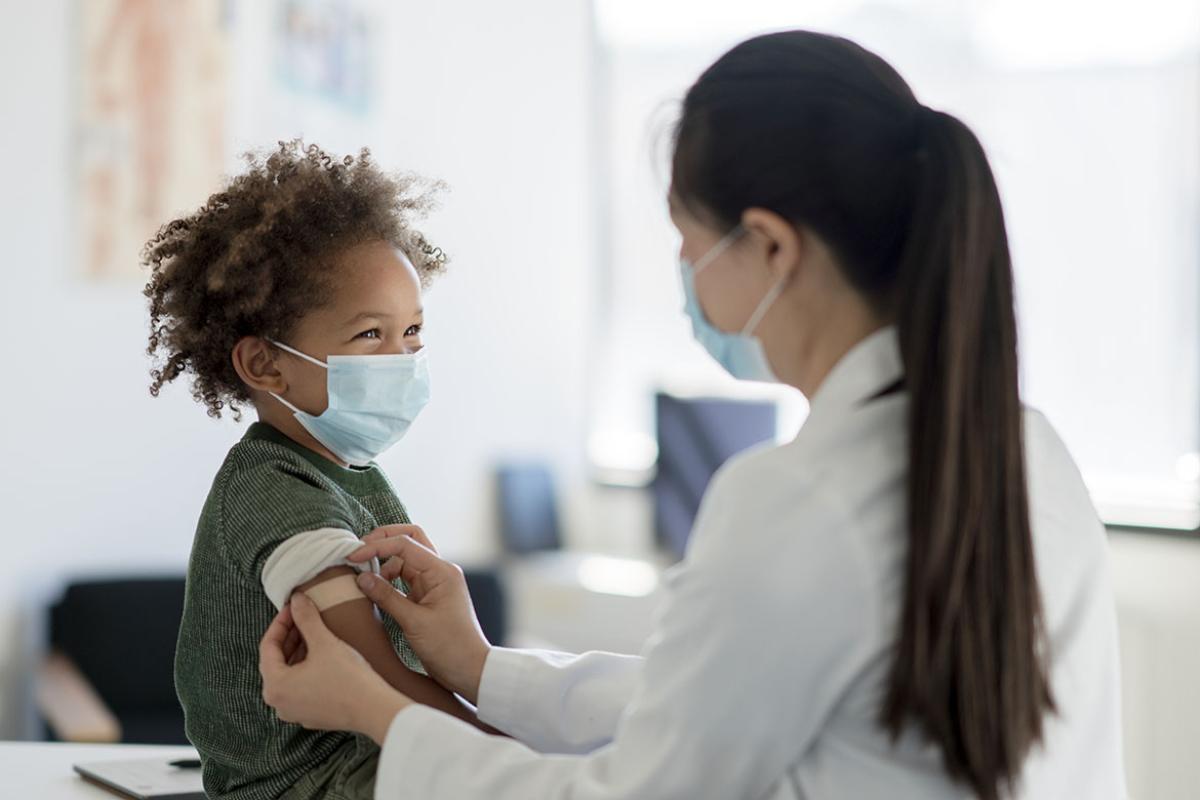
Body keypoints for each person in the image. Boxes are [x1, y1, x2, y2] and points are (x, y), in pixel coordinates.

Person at [259, 32, 1126, 799]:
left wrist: (376, 712)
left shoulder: (798, 497)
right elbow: (722, 698)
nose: (685, 278)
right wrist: (482, 668)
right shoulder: (1028, 448)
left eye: (687, 242)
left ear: (772, 246)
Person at [145, 140, 489, 800]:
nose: (403, 358)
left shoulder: (349, 470)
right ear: (266, 366)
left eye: (412, 331)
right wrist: (520, 758)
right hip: (309, 785)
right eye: (370, 336)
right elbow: (378, 678)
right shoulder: (274, 492)